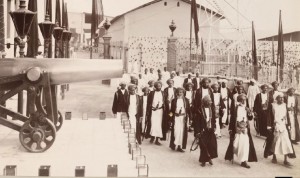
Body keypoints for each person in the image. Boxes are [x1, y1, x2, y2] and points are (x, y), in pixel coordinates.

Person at [225, 94, 257, 168]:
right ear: (238, 100)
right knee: (235, 145)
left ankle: (244, 161)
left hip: (245, 129)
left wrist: (249, 113)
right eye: (241, 100)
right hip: (237, 129)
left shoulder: (246, 108)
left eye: (244, 100)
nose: (243, 101)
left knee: (245, 145)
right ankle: (233, 154)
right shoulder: (235, 108)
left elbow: (250, 118)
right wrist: (230, 129)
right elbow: (232, 119)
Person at [269, 92, 295, 166]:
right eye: (280, 98)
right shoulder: (273, 106)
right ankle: (274, 157)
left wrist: (289, 125)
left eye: (283, 98)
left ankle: (285, 160)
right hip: (276, 125)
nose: (282, 99)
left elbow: (287, 116)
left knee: (286, 142)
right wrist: (269, 126)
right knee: (275, 141)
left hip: (283, 126)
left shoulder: (284, 105)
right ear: (276, 99)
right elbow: (269, 116)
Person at [194, 95, 218, 167]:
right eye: (209, 102)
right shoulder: (199, 110)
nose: (210, 103)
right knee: (203, 146)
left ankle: (209, 157)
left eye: (210, 102)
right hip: (203, 131)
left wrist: (214, 127)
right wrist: (197, 132)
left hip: (210, 130)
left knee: (212, 145)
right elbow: (197, 122)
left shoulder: (212, 109)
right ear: (205, 102)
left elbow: (213, 120)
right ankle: (203, 160)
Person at [169, 87, 192, 152]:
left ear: (183, 93)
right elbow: (171, 111)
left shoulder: (186, 100)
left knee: (182, 132)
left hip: (183, 118)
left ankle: (180, 146)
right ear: (176, 93)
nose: (179, 93)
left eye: (181, 92)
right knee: (176, 131)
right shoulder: (174, 100)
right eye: (178, 92)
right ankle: (174, 145)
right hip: (176, 118)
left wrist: (190, 119)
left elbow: (189, 110)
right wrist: (170, 119)